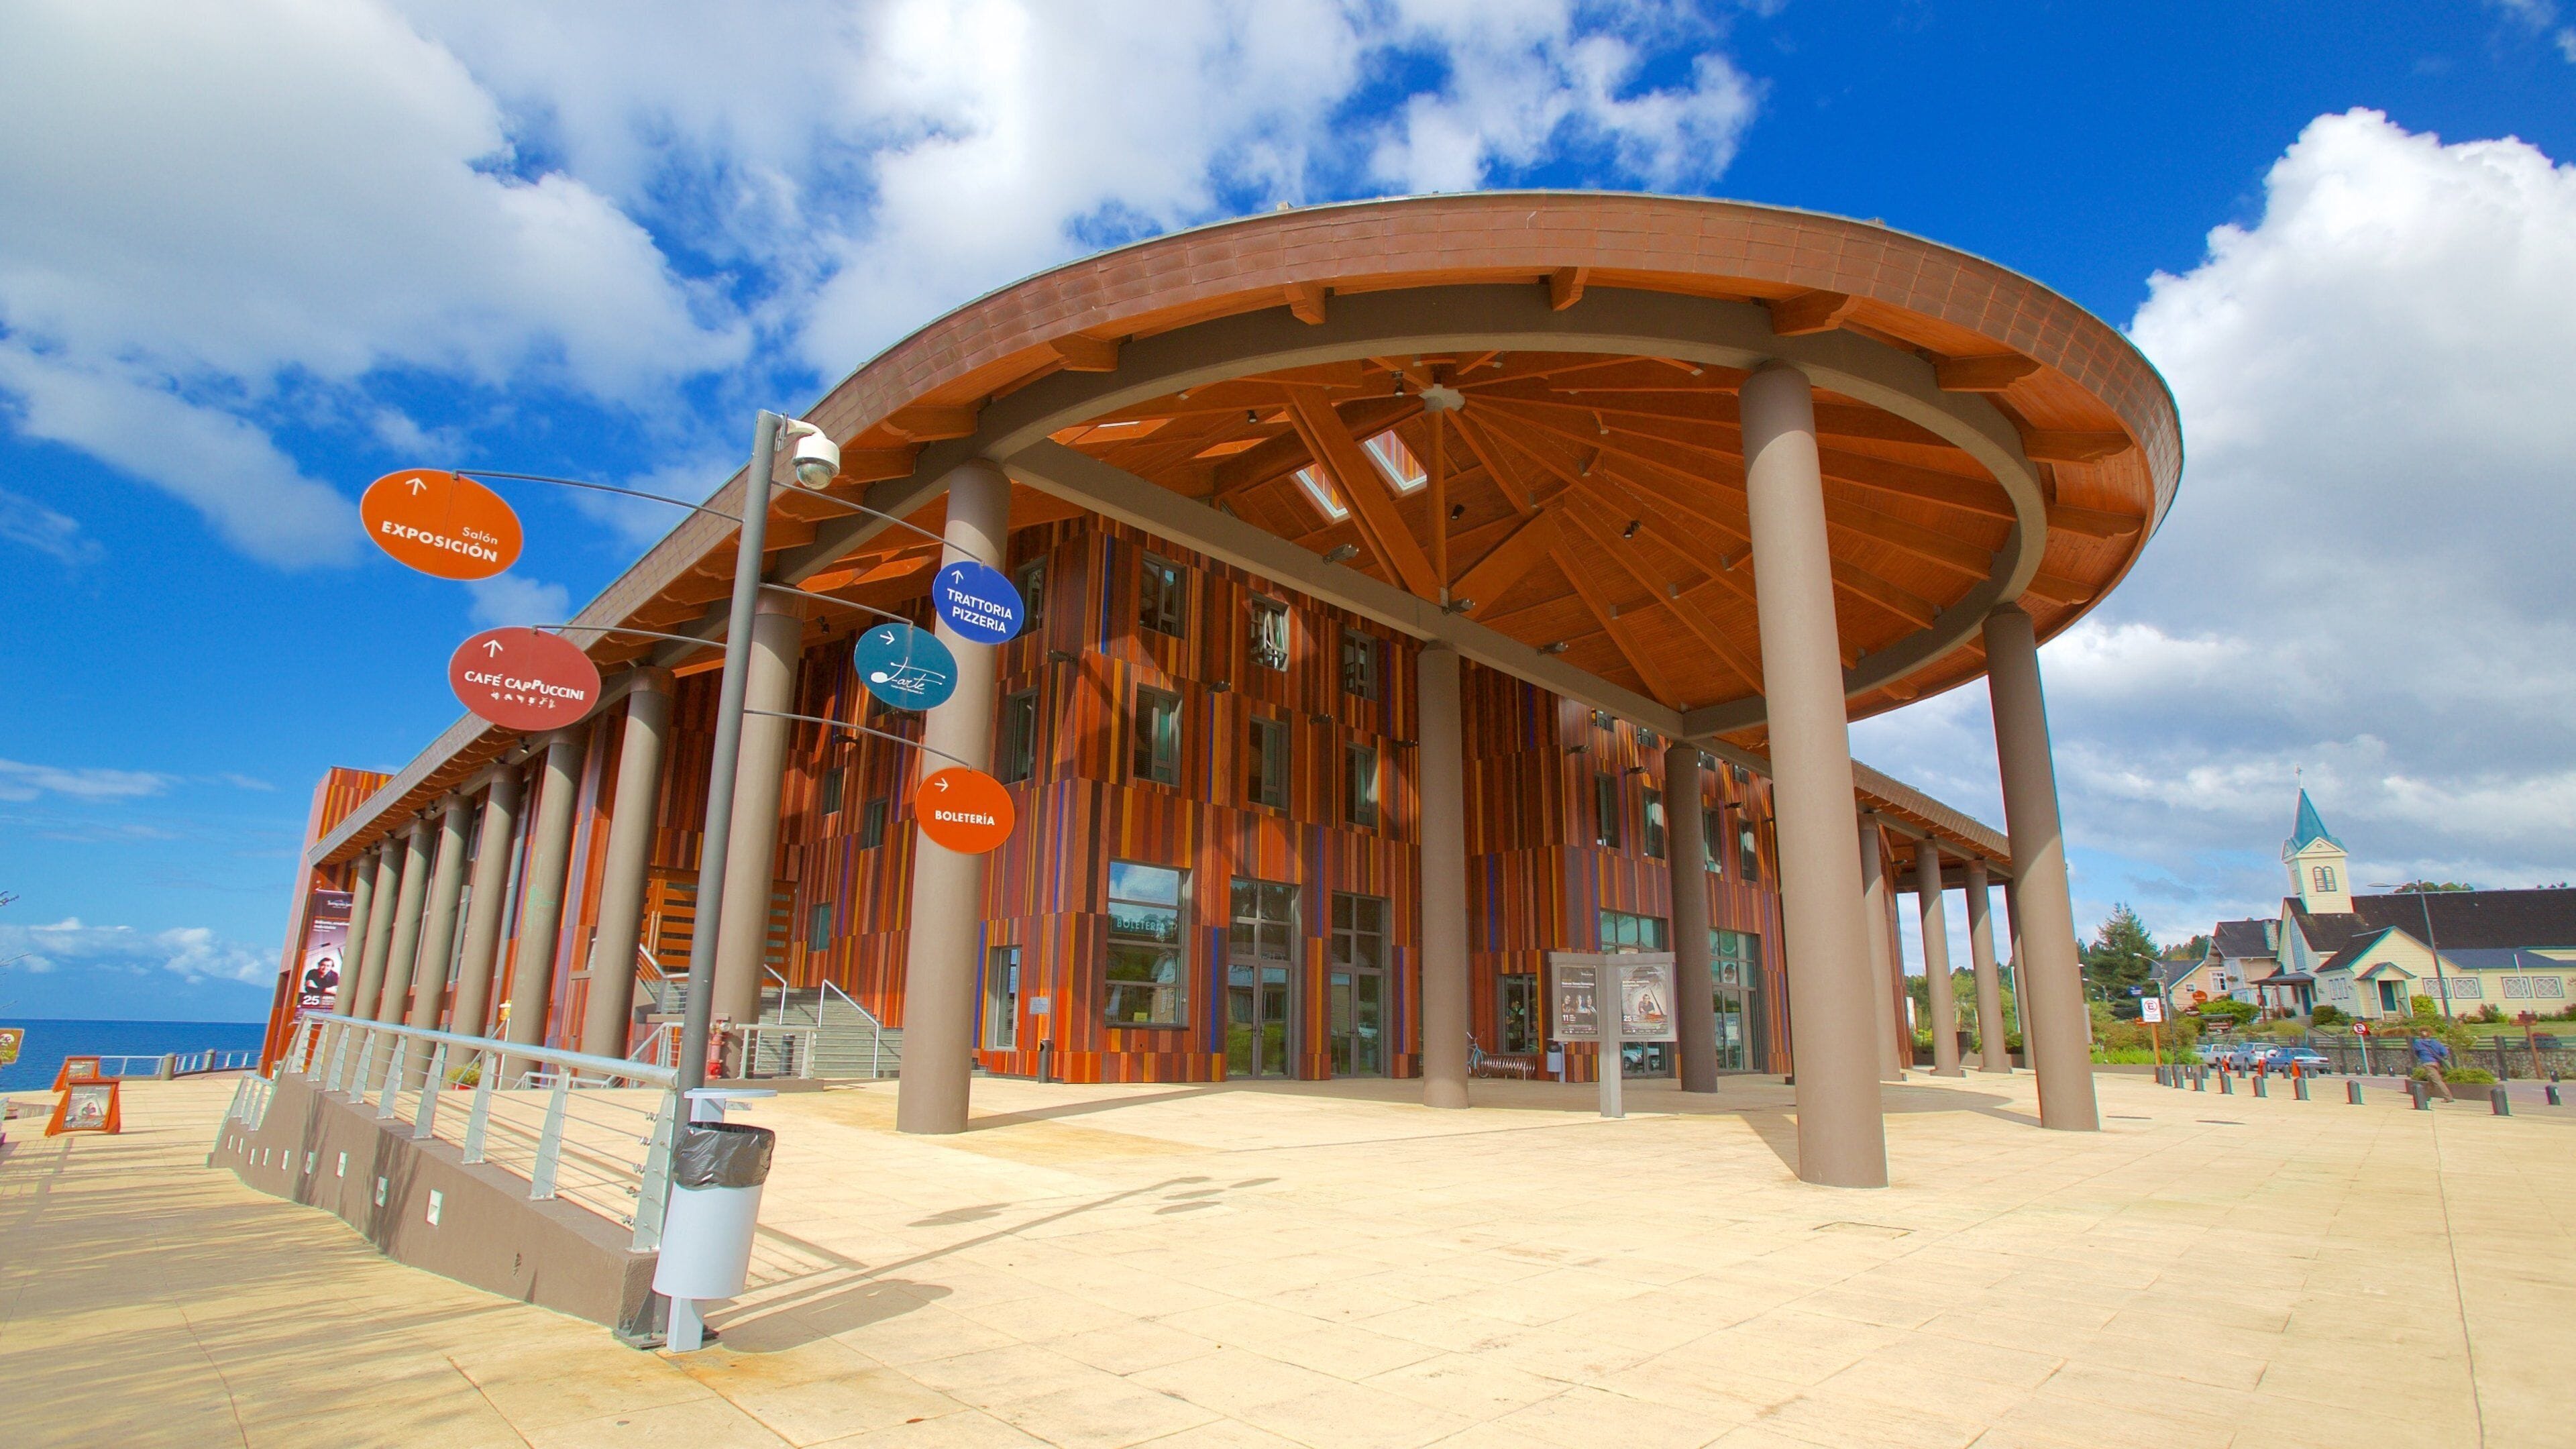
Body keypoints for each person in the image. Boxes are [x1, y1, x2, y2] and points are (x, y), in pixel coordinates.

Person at [2412, 1031, 2455, 1102]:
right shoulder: (2435, 1042)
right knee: (2431, 1080)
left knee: (2437, 1081)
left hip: (2428, 1063)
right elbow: (2444, 1052)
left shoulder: (2418, 1043)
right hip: (2437, 1063)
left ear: (2421, 1036)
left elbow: (2416, 1052)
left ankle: (2448, 1097)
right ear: (2429, 1035)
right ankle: (2426, 1097)